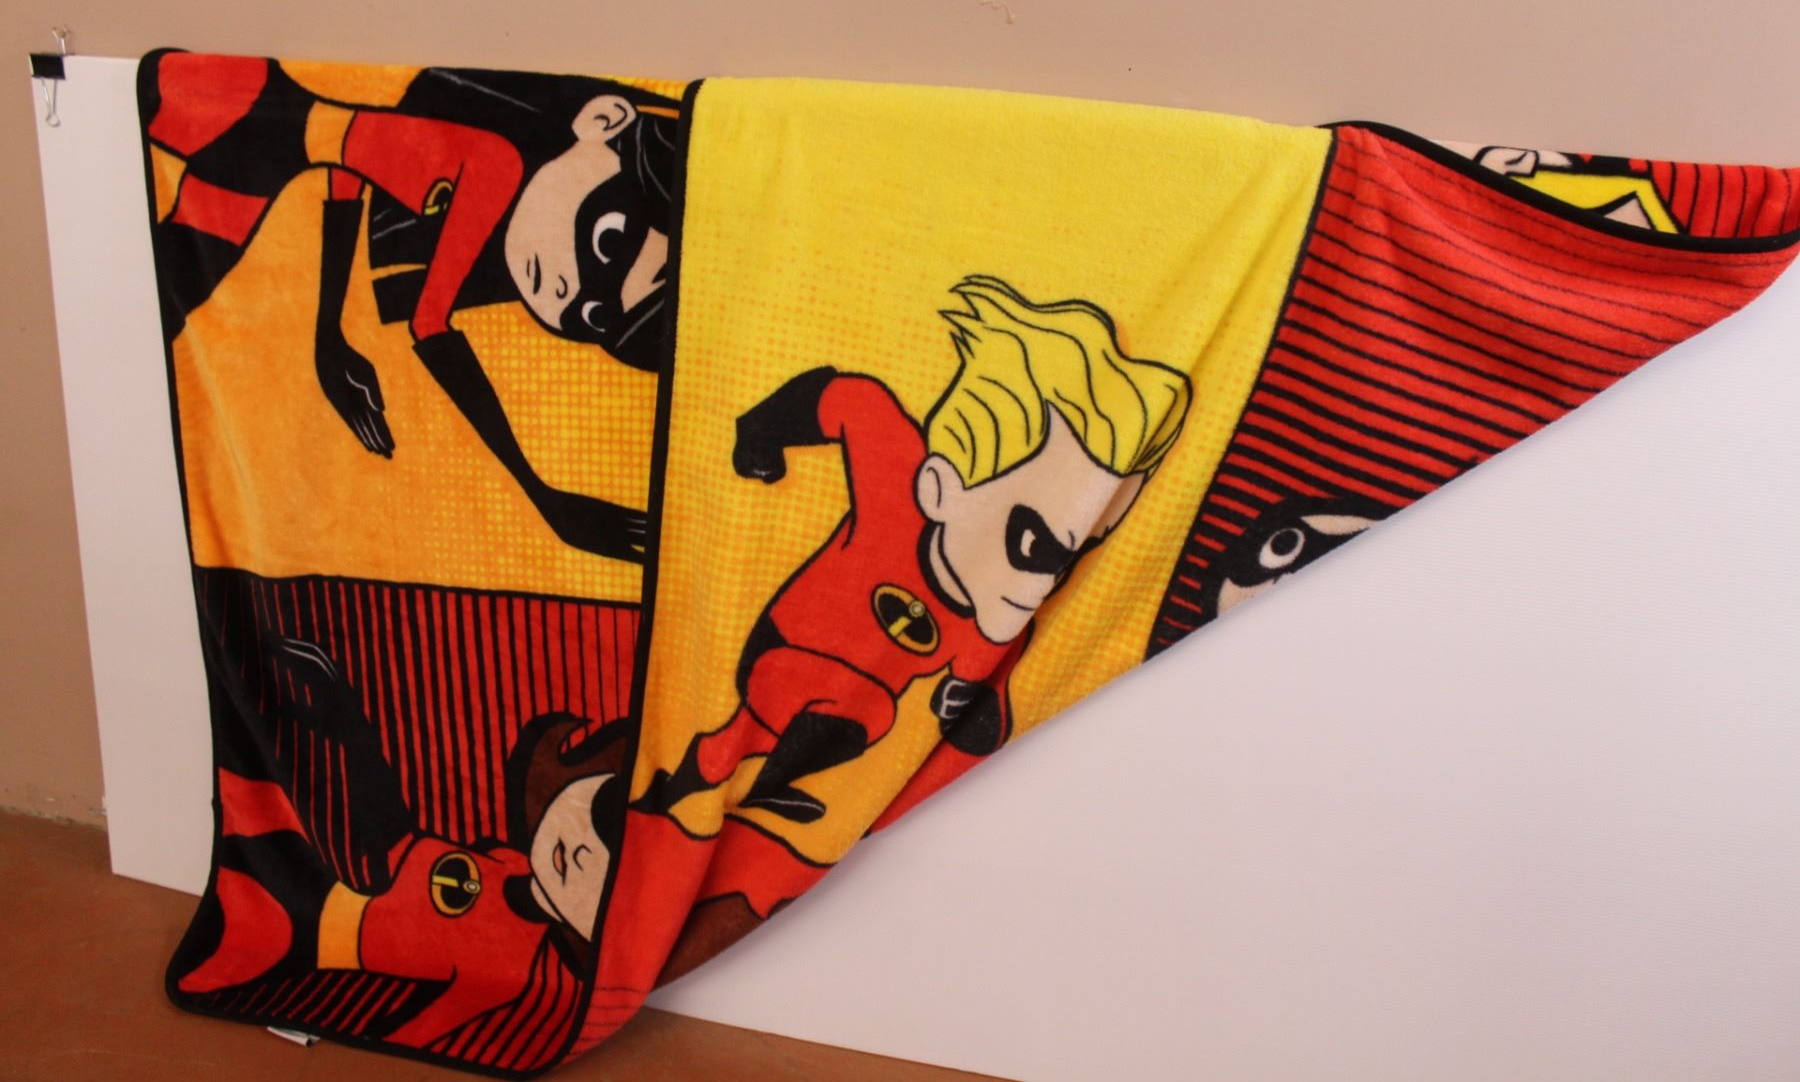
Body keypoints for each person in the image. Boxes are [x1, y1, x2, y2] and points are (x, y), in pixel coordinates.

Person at [650, 276, 1193, 824]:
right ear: (939, 487)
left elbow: (987, 703)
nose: (1040, 582)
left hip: (862, 699)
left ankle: (756, 785)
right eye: (1031, 545)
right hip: (785, 645)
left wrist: (964, 696)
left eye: (1066, 557)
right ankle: (686, 793)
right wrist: (760, 435)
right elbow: (855, 401)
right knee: (782, 717)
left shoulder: (997, 613)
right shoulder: (899, 490)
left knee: (866, 719)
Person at [139, 52, 681, 560]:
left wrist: (330, 333)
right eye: (609, 242)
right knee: (151, 293)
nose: (568, 290)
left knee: (153, 309)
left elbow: (350, 162)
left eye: (596, 315)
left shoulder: (481, 185)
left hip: (264, 162)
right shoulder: (496, 164)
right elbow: (429, 323)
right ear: (603, 121)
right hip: (248, 107)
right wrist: (542, 497)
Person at [174, 637, 630, 1051]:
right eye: (591, 815)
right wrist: (353, 730)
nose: (581, 851)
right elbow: (403, 845)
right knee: (266, 789)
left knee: (225, 954)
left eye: (605, 867)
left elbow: (426, 1023)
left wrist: (370, 1031)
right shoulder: (508, 860)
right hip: (336, 861)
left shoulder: (515, 967)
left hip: (309, 934)